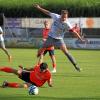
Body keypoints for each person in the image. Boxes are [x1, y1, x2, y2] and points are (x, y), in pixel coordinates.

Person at [33, 4, 86, 72]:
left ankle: (76, 66)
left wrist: (80, 38)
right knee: (39, 52)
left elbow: (74, 32)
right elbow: (47, 12)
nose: (64, 19)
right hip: (50, 38)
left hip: (59, 40)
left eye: (65, 17)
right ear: (61, 15)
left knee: (66, 52)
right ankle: (37, 65)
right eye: (63, 17)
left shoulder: (67, 24)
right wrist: (39, 8)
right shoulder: (56, 16)